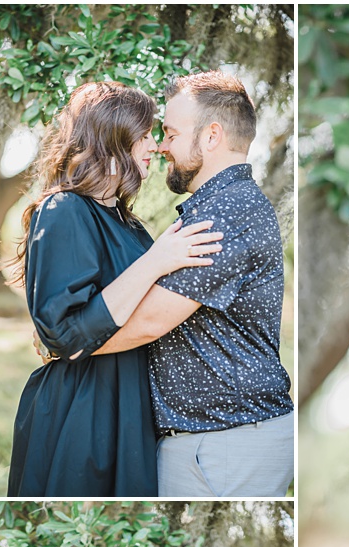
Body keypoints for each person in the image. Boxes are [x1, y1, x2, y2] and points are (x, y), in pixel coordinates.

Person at [7, 80, 224, 497]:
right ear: (113, 140)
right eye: (144, 135)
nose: (155, 146)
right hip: (82, 412)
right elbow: (63, 333)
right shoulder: (64, 210)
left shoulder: (131, 226)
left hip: (132, 410)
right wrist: (156, 262)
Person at [90, 71, 295, 497]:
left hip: (226, 442)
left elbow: (149, 322)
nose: (161, 145)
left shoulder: (226, 212)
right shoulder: (219, 206)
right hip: (217, 439)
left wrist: (66, 342)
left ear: (211, 136)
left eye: (171, 132)